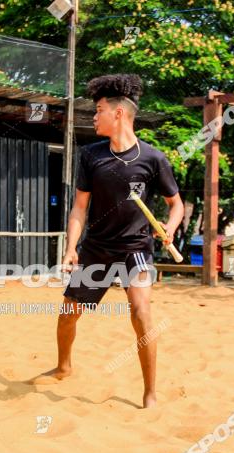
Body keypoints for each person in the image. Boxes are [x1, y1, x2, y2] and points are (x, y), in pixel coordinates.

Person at [32, 74, 184, 408]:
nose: (94, 116)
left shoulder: (153, 159)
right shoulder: (90, 155)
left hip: (136, 248)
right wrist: (71, 248)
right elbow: (79, 207)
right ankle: (63, 366)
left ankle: (149, 391)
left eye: (98, 110)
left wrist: (169, 227)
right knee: (69, 312)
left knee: (141, 311)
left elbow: (177, 205)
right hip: (96, 247)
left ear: (118, 114)